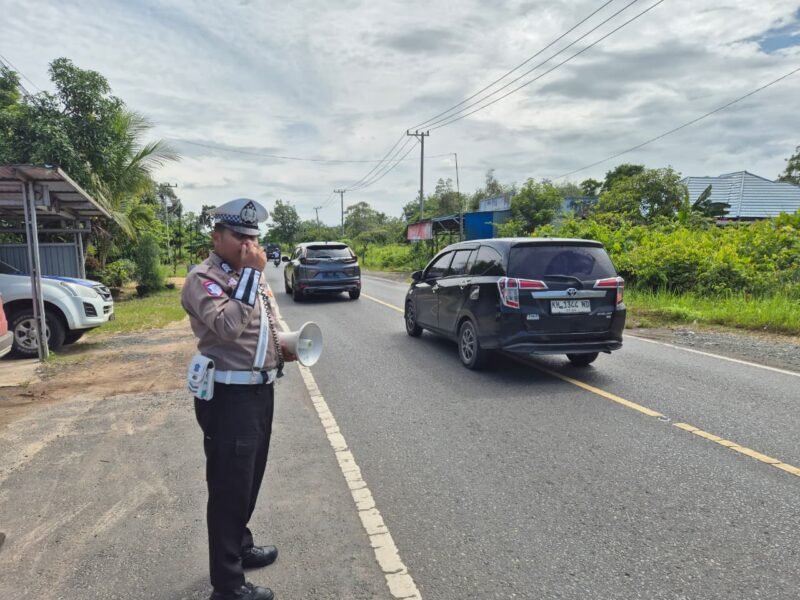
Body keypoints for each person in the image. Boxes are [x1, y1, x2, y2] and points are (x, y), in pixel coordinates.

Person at [182, 198, 295, 600]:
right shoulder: (202, 279)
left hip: (259, 391)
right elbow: (228, 327)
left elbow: (265, 326)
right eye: (239, 236)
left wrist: (289, 345)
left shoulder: (251, 276)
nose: (249, 244)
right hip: (229, 397)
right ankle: (227, 585)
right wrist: (250, 275)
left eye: (253, 237)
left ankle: (240, 546)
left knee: (248, 480)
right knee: (229, 487)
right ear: (217, 237)